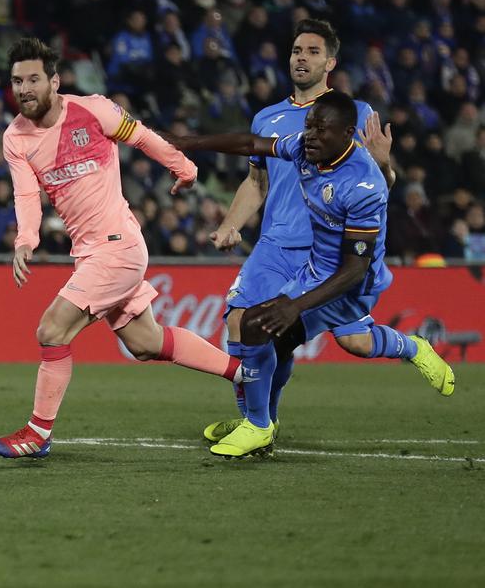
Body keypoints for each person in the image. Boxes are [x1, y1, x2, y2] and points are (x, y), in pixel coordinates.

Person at [0, 38, 243, 459]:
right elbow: (26, 195)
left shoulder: (95, 110)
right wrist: (26, 240)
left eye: (33, 79)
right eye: (17, 81)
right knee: (146, 342)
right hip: (92, 251)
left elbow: (142, 137)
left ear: (54, 81)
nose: (25, 89)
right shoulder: (16, 137)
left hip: (117, 247)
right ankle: (244, 373)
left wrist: (185, 168)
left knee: (51, 330)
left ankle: (37, 434)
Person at [169, 90, 455, 457]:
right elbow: (251, 143)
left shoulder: (363, 186)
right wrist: (186, 143)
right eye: (309, 127)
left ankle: (412, 347)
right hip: (317, 268)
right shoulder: (306, 148)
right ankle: (259, 423)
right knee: (263, 332)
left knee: (305, 333)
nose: (312, 135)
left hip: (352, 282)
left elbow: (355, 268)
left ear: (348, 133)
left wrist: (294, 306)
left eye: (322, 129)